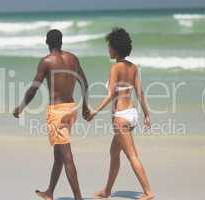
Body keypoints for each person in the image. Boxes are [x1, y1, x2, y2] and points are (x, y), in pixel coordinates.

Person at [13, 29, 89, 200]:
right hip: (71, 108)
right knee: (59, 155)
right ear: (61, 42)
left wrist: (21, 107)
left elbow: (34, 88)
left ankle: (79, 197)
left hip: (58, 112)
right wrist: (85, 106)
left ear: (47, 42)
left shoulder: (47, 62)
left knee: (66, 155)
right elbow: (84, 82)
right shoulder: (72, 59)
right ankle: (50, 192)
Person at [86, 28, 155, 200]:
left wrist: (94, 111)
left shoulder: (115, 67)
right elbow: (139, 93)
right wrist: (147, 115)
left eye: (109, 46)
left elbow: (110, 95)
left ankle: (148, 192)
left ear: (116, 49)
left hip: (121, 117)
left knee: (132, 155)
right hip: (131, 114)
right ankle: (107, 190)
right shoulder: (133, 67)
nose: (108, 49)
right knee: (114, 152)